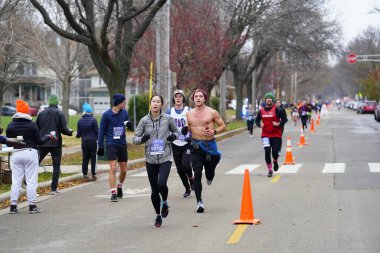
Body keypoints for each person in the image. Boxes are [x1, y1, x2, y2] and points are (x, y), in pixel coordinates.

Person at [133, 95, 179, 227]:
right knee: (154, 190)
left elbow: (177, 132)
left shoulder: (167, 118)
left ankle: (164, 201)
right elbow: (135, 138)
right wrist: (142, 139)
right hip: (151, 158)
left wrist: (172, 137)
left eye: (158, 101)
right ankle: (158, 216)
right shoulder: (144, 121)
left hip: (165, 156)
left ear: (161, 104)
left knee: (161, 184)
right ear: (150, 103)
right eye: (153, 101)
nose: (155, 104)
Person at [6, 100, 56, 214]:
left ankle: (13, 206)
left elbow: (8, 143)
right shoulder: (31, 125)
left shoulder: (10, 125)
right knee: (31, 180)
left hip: (16, 154)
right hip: (30, 153)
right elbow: (39, 141)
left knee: (16, 181)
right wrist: (48, 137)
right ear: (27, 111)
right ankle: (32, 206)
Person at [183, 88, 226, 213]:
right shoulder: (189, 113)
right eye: (196, 96)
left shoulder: (212, 112)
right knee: (197, 173)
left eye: (200, 96)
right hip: (196, 146)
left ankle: (210, 173)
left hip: (209, 146)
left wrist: (215, 131)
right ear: (193, 98)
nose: (198, 98)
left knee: (209, 172)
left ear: (205, 98)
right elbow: (189, 127)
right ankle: (199, 202)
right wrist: (186, 130)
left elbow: (223, 125)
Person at [97, 94, 133, 202]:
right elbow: (101, 132)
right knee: (112, 167)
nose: (125, 104)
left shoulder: (124, 113)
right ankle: (113, 193)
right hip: (111, 144)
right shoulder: (106, 115)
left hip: (122, 144)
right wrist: (100, 146)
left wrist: (129, 125)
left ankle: (120, 186)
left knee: (124, 170)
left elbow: (127, 123)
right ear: (118, 103)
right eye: (123, 102)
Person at [36, 95, 73, 195]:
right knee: (56, 166)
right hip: (55, 143)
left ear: (49, 102)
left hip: (42, 142)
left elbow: (36, 128)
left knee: (35, 164)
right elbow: (63, 129)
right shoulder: (59, 113)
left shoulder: (41, 113)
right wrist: (70, 132)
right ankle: (53, 189)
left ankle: (29, 185)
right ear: (57, 103)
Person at [165, 89, 194, 198]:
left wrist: (191, 136)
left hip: (187, 143)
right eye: (176, 97)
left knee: (186, 165)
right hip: (175, 143)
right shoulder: (169, 112)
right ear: (174, 99)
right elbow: (165, 126)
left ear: (183, 99)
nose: (178, 98)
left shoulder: (189, 110)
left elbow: (194, 124)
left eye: (180, 97)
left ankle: (191, 178)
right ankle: (187, 188)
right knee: (180, 169)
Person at [255, 93, 288, 177]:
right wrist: (259, 125)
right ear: (265, 100)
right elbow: (257, 120)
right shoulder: (261, 110)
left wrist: (278, 123)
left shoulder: (277, 110)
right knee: (267, 151)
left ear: (272, 100)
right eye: (267, 98)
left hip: (276, 135)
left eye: (270, 98)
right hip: (265, 135)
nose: (268, 99)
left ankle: (275, 161)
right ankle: (270, 169)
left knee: (275, 152)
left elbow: (285, 119)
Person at [76, 103, 99, 181]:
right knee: (93, 158)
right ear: (90, 111)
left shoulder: (80, 121)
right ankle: (93, 174)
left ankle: (85, 175)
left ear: (84, 111)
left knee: (85, 159)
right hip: (92, 141)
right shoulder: (94, 120)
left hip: (84, 142)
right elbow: (97, 132)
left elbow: (78, 134)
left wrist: (77, 135)